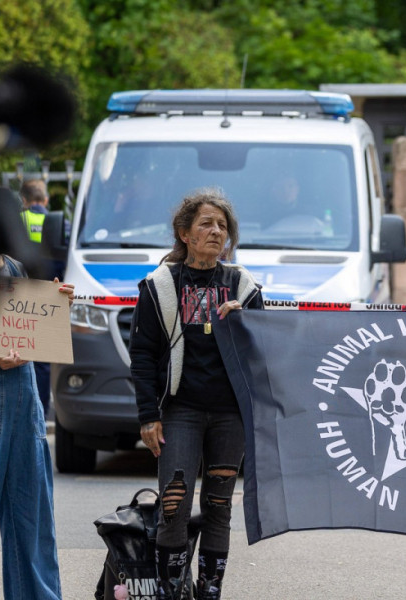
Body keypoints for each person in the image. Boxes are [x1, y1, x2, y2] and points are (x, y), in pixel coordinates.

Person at [129, 188, 263, 600]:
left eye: (222, 225)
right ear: (184, 233)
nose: (216, 231)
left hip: (229, 415)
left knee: (219, 508)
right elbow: (142, 354)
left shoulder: (243, 286)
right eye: (206, 223)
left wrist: (246, 322)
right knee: (174, 507)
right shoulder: (160, 285)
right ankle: (172, 591)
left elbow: (265, 350)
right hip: (180, 411)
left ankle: (209, 591)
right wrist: (148, 415)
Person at [0, 255, 74, 600]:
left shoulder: (15, 267)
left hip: (24, 410)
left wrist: (56, 306)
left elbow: (32, 331)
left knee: (32, 525)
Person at [19, 177, 56, 415]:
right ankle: (41, 409)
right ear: (46, 199)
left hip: (19, 296)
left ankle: (22, 407)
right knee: (43, 359)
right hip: (48, 296)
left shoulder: (18, 221)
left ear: (24, 200)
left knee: (17, 354)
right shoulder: (59, 223)